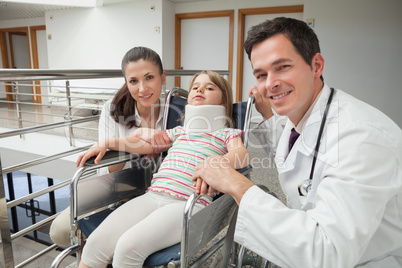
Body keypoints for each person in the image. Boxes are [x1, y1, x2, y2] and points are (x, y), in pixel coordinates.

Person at [193, 17, 402, 267]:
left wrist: (235, 183)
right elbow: (288, 152)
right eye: (261, 74)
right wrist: (268, 113)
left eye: (282, 67)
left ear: (316, 65)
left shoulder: (360, 137)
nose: (270, 83)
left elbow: (328, 253)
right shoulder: (301, 115)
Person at [75, 70, 249, 268]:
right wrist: (106, 142)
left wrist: (217, 163)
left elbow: (242, 155)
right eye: (195, 87)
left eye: (209, 87)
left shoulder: (226, 133)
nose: (200, 89)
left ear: (222, 104)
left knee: (126, 249)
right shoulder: (179, 132)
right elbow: (141, 144)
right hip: (153, 196)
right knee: (96, 244)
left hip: (188, 205)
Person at [49, 46, 166, 247]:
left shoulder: (176, 112)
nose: (142, 89)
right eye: (133, 81)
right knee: (60, 230)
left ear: (163, 77)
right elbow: (112, 169)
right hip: (116, 185)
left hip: (159, 190)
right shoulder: (112, 109)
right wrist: (140, 136)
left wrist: (125, 142)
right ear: (126, 83)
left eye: (149, 78)